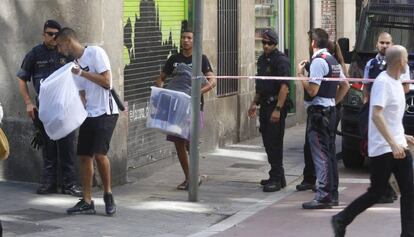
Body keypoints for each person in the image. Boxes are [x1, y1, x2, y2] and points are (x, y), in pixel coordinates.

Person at [332, 45, 414, 237]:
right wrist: (393, 143)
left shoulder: (396, 82)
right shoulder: (383, 83)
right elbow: (376, 115)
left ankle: (408, 233)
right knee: (376, 193)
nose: (408, 63)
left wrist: (402, 137)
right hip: (384, 149)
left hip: (397, 146)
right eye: (406, 59)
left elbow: (391, 117)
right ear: (400, 62)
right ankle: (341, 219)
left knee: (409, 192)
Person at [55, 27, 119, 215]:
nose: (59, 50)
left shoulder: (95, 52)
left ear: (68, 42)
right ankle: (87, 200)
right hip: (89, 114)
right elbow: (82, 94)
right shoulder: (74, 64)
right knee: (84, 156)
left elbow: (107, 82)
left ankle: (108, 195)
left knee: (100, 154)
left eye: (59, 45)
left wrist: (81, 73)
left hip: (106, 112)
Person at [16, 20, 82, 197]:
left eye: (56, 34)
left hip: (65, 106)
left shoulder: (66, 52)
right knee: (48, 145)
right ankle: (49, 183)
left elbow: (79, 73)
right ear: (43, 34)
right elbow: (22, 78)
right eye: (50, 34)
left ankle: (70, 184)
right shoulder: (35, 54)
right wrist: (28, 102)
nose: (53, 37)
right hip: (44, 108)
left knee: (67, 145)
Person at [155, 29, 215, 191]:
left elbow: (212, 81)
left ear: (194, 41)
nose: (185, 40)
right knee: (179, 143)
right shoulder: (173, 59)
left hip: (194, 108)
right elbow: (161, 78)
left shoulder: (201, 59)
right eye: (183, 38)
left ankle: (194, 176)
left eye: (189, 38)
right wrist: (161, 93)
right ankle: (190, 177)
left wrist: (197, 93)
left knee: (190, 142)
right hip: (175, 107)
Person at [297, 28, 349, 209]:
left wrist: (300, 76)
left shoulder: (319, 61)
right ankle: (332, 194)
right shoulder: (333, 60)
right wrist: (334, 102)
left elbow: (312, 90)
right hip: (330, 112)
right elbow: (345, 85)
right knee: (329, 154)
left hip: (319, 113)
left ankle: (324, 196)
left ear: (312, 42)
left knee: (320, 155)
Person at [247, 29, 290, 192]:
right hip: (264, 104)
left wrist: (278, 109)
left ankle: (277, 179)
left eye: (269, 43)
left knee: (275, 143)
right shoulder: (262, 60)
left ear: (275, 43)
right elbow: (261, 85)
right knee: (267, 142)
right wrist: (254, 103)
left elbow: (284, 87)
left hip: (275, 105)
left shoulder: (281, 61)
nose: (265, 46)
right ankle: (277, 175)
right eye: (263, 43)